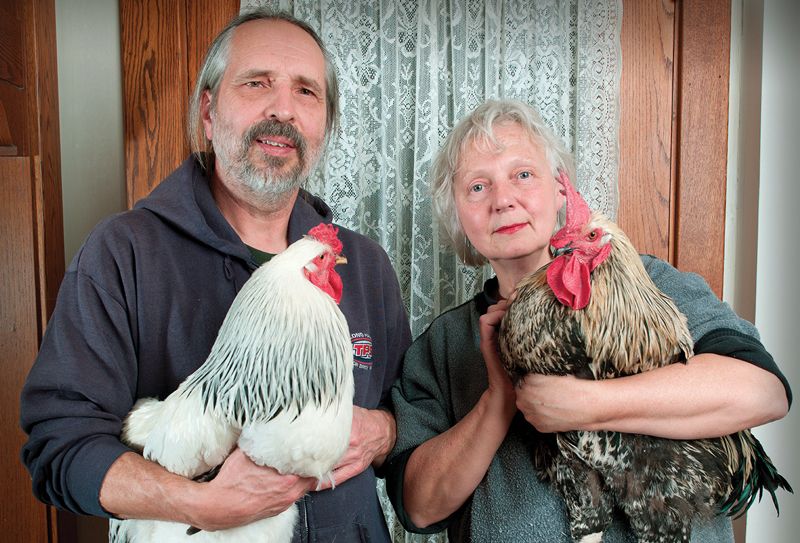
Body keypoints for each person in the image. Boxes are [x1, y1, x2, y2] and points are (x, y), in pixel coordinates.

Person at [20, 9, 411, 542]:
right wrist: (202, 504)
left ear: (325, 123)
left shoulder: (361, 265)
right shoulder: (124, 253)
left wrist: (383, 433)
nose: (283, 109)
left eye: (306, 92)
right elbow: (59, 445)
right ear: (208, 110)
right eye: (257, 84)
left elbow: (407, 422)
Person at [384, 99, 792, 542]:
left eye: (523, 174)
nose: (503, 200)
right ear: (458, 216)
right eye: (477, 187)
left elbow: (762, 393)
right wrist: (500, 398)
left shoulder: (650, 284)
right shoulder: (444, 344)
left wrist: (584, 404)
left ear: (561, 189)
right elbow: (420, 508)